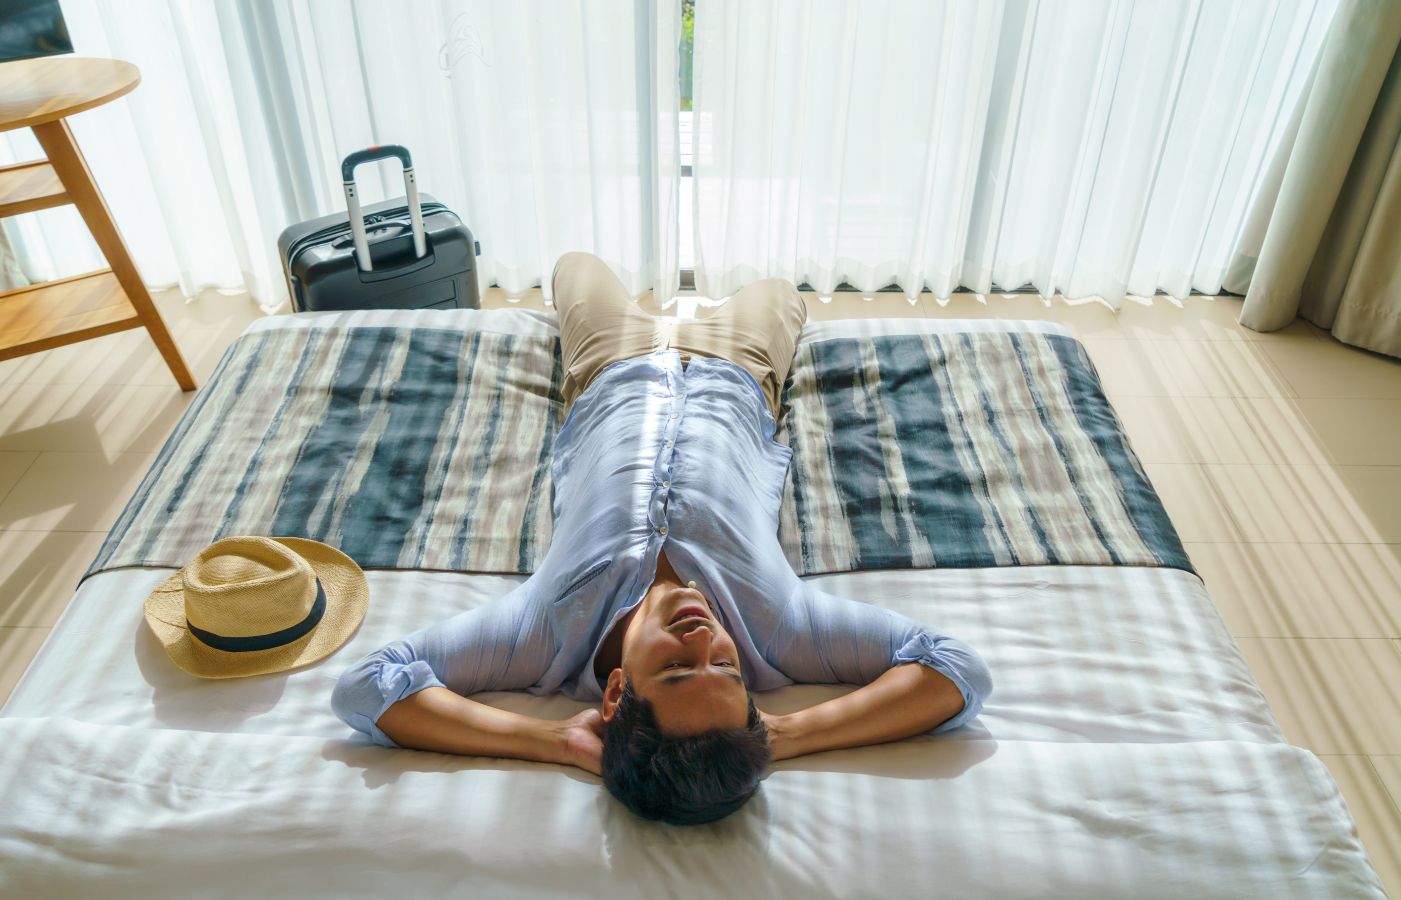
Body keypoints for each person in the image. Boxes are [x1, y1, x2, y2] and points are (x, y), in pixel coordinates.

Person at [332, 252, 991, 825]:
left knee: (574, 266)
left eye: (677, 667)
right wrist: (781, 735)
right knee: (779, 289)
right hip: (737, 371)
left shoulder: (541, 634)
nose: (704, 638)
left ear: (616, 692)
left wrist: (555, 740)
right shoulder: (784, 628)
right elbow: (955, 668)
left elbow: (367, 684)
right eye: (727, 670)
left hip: (608, 371)